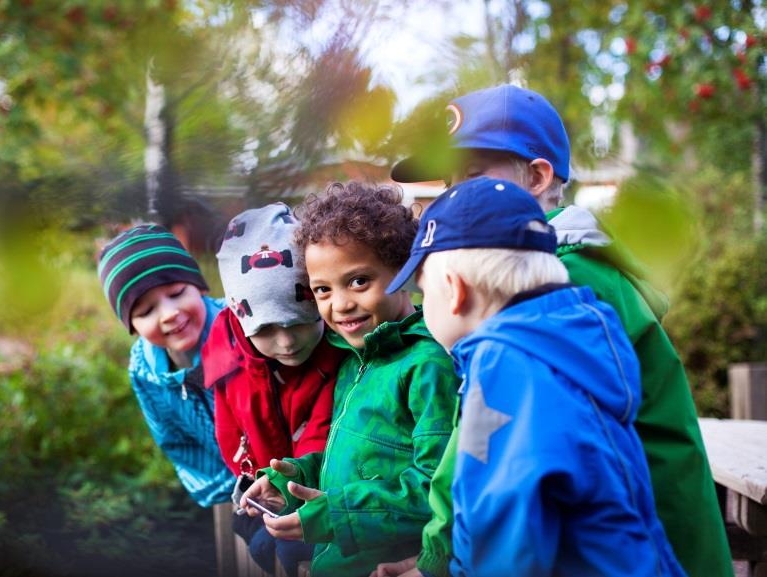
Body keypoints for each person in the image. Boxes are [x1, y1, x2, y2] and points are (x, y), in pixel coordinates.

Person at [379, 83, 732, 577]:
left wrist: (434, 562)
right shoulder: (579, 270)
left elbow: (477, 442)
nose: (455, 197)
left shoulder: (550, 285)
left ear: (538, 176)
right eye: (449, 183)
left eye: (473, 175)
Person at [388, 175, 686, 576]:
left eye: (423, 294)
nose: (422, 310)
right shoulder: (566, 346)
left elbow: (506, 528)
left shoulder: (504, 369)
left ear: (454, 290)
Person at [238, 182, 459, 577]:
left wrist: (334, 514)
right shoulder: (355, 360)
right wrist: (294, 479)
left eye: (358, 281)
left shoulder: (427, 364)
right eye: (323, 289)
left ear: (402, 268)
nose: (339, 305)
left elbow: (436, 490)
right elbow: (360, 467)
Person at [202, 203, 343, 577]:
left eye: (298, 322)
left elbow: (322, 431)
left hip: (313, 489)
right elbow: (228, 424)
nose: (285, 342)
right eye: (265, 330)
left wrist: (287, 489)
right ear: (241, 318)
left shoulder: (335, 354)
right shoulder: (226, 352)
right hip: (259, 488)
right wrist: (252, 481)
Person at [97, 224, 233, 507]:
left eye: (177, 292)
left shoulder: (238, 326)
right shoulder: (144, 369)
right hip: (229, 494)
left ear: (198, 285)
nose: (169, 313)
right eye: (146, 311)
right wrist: (228, 491)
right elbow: (173, 438)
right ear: (131, 325)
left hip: (285, 474)